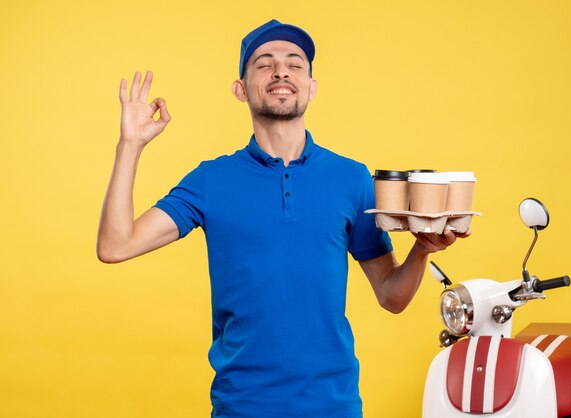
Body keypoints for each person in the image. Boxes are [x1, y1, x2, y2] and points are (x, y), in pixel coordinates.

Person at [97, 19, 469, 418]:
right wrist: (130, 145)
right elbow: (116, 246)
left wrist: (421, 250)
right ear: (240, 90)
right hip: (241, 407)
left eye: (295, 63)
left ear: (311, 86)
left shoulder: (352, 178)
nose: (281, 71)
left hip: (335, 407)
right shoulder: (210, 180)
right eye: (264, 63)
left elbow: (392, 297)